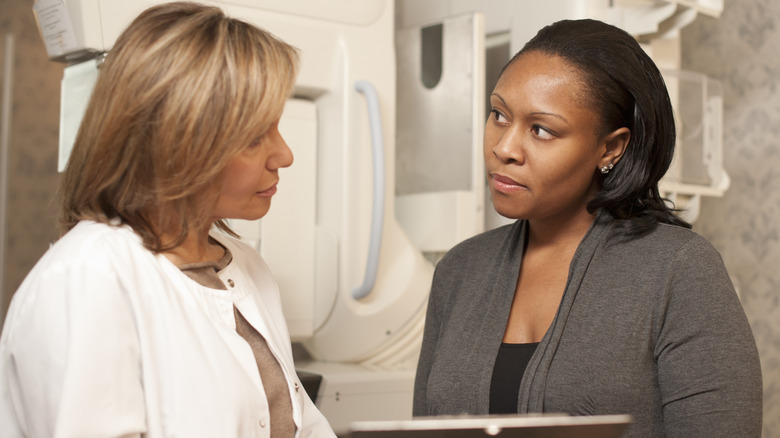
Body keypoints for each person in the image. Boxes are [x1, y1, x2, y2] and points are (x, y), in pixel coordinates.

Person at [413, 18, 762, 437]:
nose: (503, 148)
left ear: (610, 148)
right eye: (499, 114)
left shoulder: (679, 270)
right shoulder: (459, 270)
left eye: (541, 130)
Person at [0, 2, 335, 437]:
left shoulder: (244, 266)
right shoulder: (88, 278)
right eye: (255, 137)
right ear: (179, 142)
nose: (284, 155)